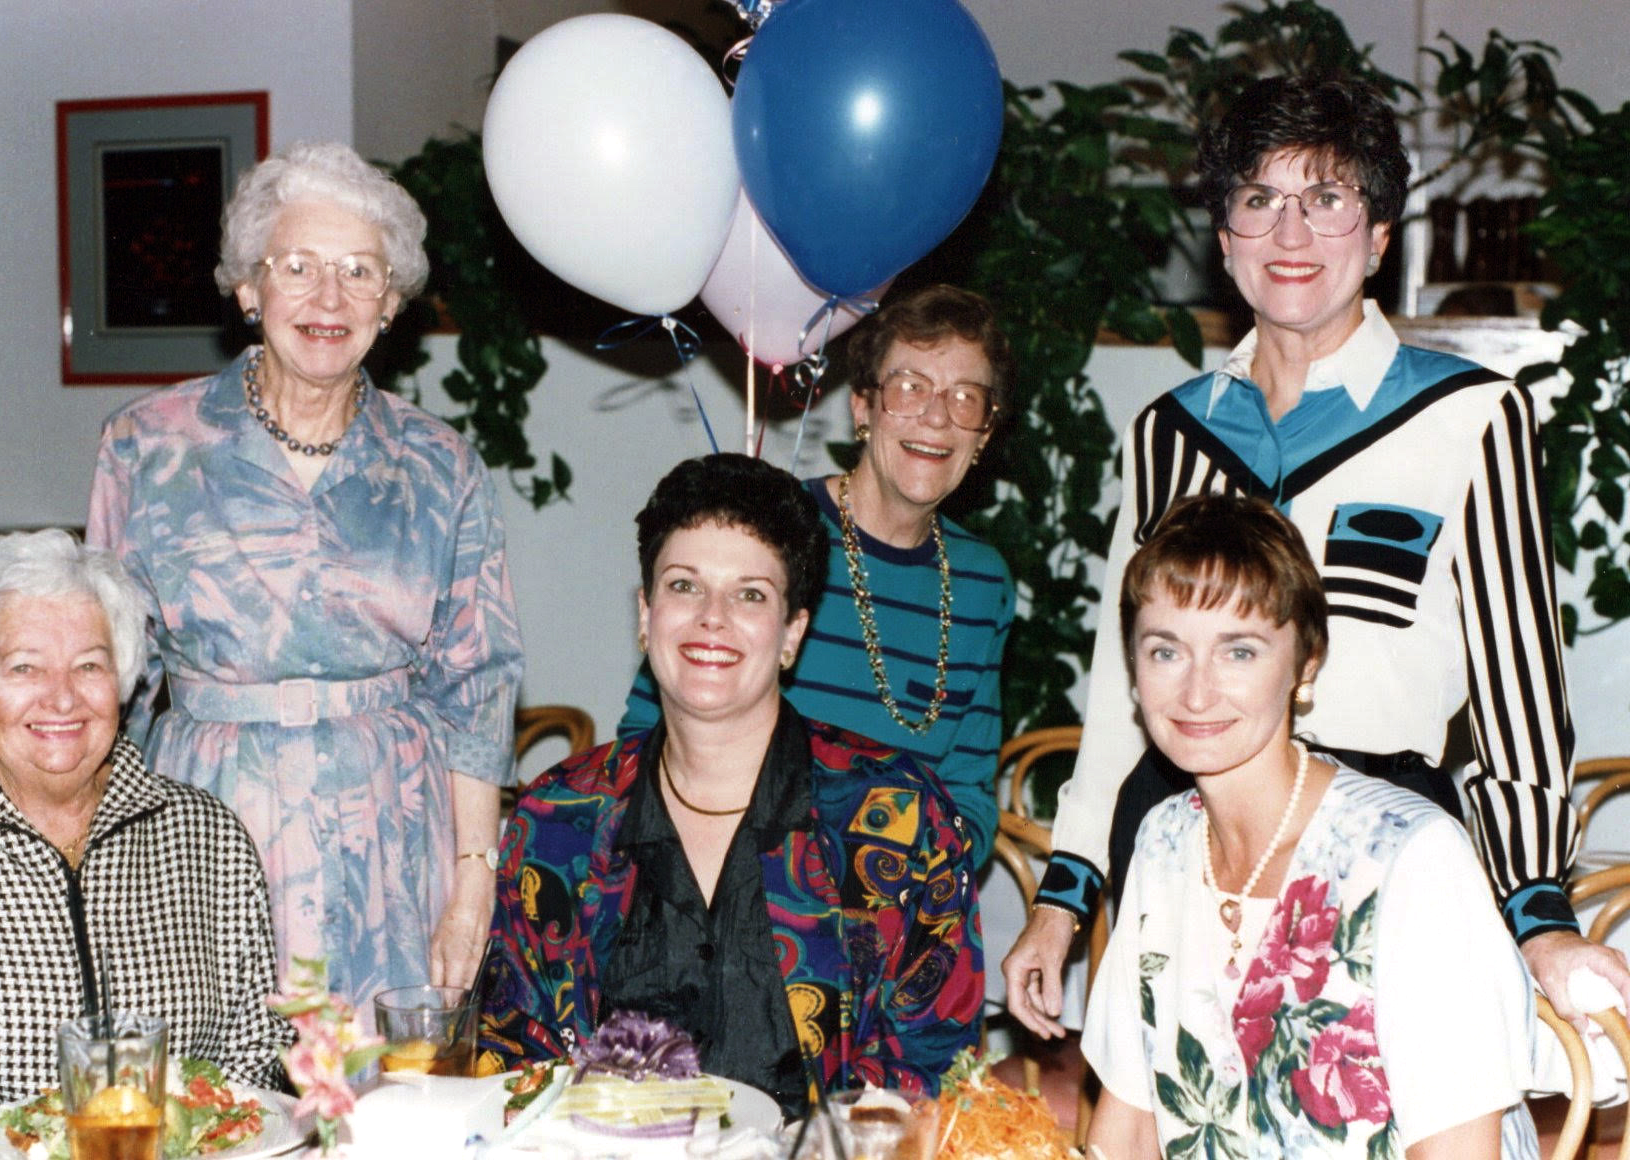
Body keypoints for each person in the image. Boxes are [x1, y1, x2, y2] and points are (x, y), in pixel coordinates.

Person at [1004, 73, 1627, 1038]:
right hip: (1183, 844)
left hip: (1379, 847)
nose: (1289, 234)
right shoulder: (1170, 433)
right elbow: (1120, 683)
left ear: (1377, 237)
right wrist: (1062, 899)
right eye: (1259, 200)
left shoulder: (1468, 416)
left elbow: (1519, 692)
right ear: (1224, 239)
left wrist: (1538, 913)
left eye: (1327, 198)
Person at [87, 141, 523, 1010]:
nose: (330, 298)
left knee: (388, 1086)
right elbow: (107, 678)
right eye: (299, 266)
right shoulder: (148, 444)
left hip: (392, 842)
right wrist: (95, 867)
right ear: (249, 288)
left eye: (359, 271)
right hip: (205, 831)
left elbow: (477, 687)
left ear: (390, 302)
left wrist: (474, 880)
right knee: (214, 1083)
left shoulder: (440, 465)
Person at [482, 454, 982, 1118]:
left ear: (792, 632)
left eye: (750, 594)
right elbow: (516, 1066)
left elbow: (931, 1077)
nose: (712, 617)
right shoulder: (557, 820)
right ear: (645, 614)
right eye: (684, 586)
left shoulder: (897, 822)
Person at [1083, 495, 1542, 1159]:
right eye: (1166, 651)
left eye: (1239, 652)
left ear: (1306, 665)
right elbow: (1126, 1130)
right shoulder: (1163, 844)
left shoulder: (1410, 859)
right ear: (1133, 668)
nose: (1196, 693)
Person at [0, 530, 291, 1102]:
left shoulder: (209, 838)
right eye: (24, 668)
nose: (62, 698)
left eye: (89, 666)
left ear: (121, 682)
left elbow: (257, 1065)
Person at [621, 285, 1015, 866]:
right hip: (733, 874)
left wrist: (904, 878)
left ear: (984, 432)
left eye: (965, 398)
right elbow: (646, 738)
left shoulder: (984, 583)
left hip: (892, 889)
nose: (936, 417)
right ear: (862, 407)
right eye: (909, 387)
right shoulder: (770, 535)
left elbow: (969, 795)